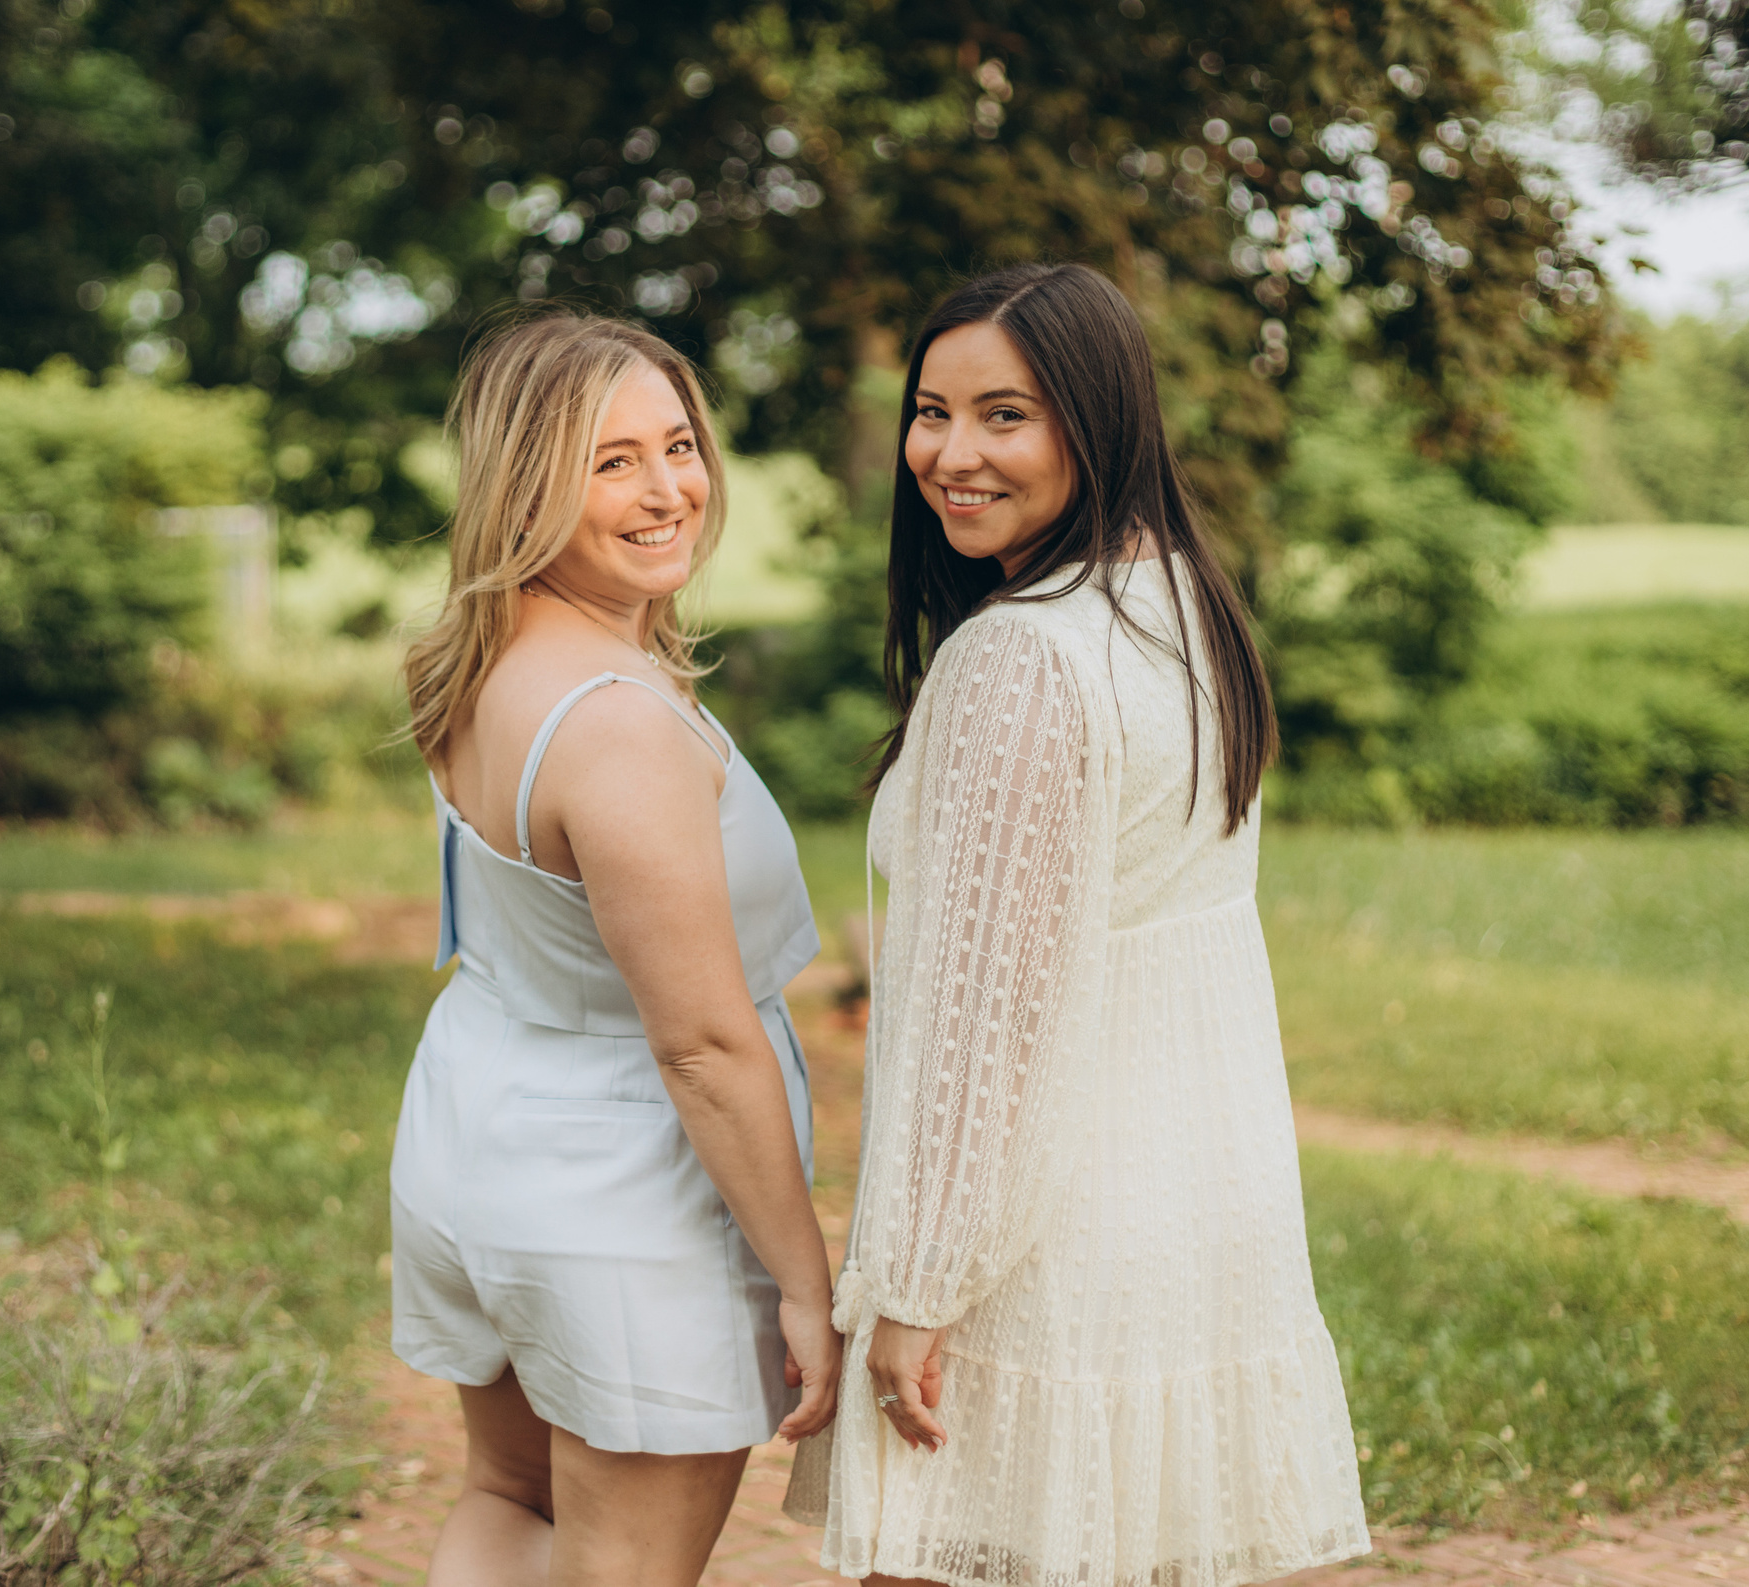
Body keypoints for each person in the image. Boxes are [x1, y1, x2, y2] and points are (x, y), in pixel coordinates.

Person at [785, 264, 1371, 1586]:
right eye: (933, 411)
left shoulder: (1024, 655)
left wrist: (921, 1283)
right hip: (1184, 1218)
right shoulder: (1180, 610)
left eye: (1008, 414)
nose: (950, 452)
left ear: (1096, 422)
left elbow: (993, 1014)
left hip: (1036, 1254)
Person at [391, 308, 842, 1586]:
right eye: (610, 462)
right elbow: (702, 1042)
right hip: (620, 1193)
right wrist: (804, 1280)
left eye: (679, 445)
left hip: (478, 1127)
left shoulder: (477, 664)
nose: (668, 491)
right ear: (526, 486)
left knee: (507, 1502)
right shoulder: (616, 724)